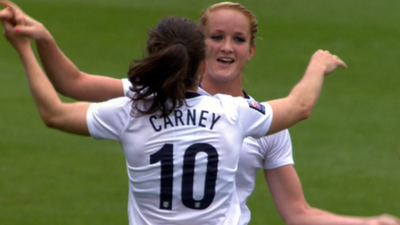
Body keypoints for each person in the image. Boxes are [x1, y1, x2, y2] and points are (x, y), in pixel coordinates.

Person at [1, 1, 399, 225]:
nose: (227, 47)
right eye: (217, 37)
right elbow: (300, 106)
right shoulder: (239, 114)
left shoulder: (136, 105)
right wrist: (318, 65)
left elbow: (56, 108)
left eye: (238, 39)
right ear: (200, 54)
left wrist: (28, 44)